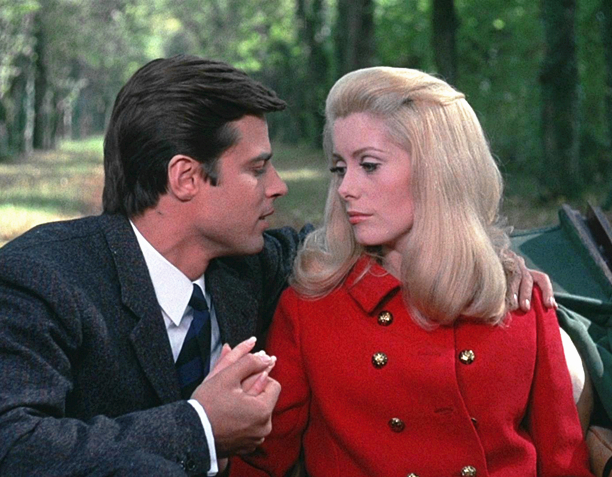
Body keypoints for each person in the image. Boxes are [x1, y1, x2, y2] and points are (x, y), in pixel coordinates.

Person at [0, 56, 552, 477]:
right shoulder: (42, 278)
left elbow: (371, 236)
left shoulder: (252, 266)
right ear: (187, 177)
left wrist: (494, 258)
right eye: (258, 168)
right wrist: (200, 427)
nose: (280, 185)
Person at [230, 67, 592, 477]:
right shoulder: (309, 308)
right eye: (340, 168)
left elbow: (565, 463)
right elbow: (259, 465)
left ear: (438, 170)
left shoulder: (519, 299)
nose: (346, 188)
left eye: (368, 165)